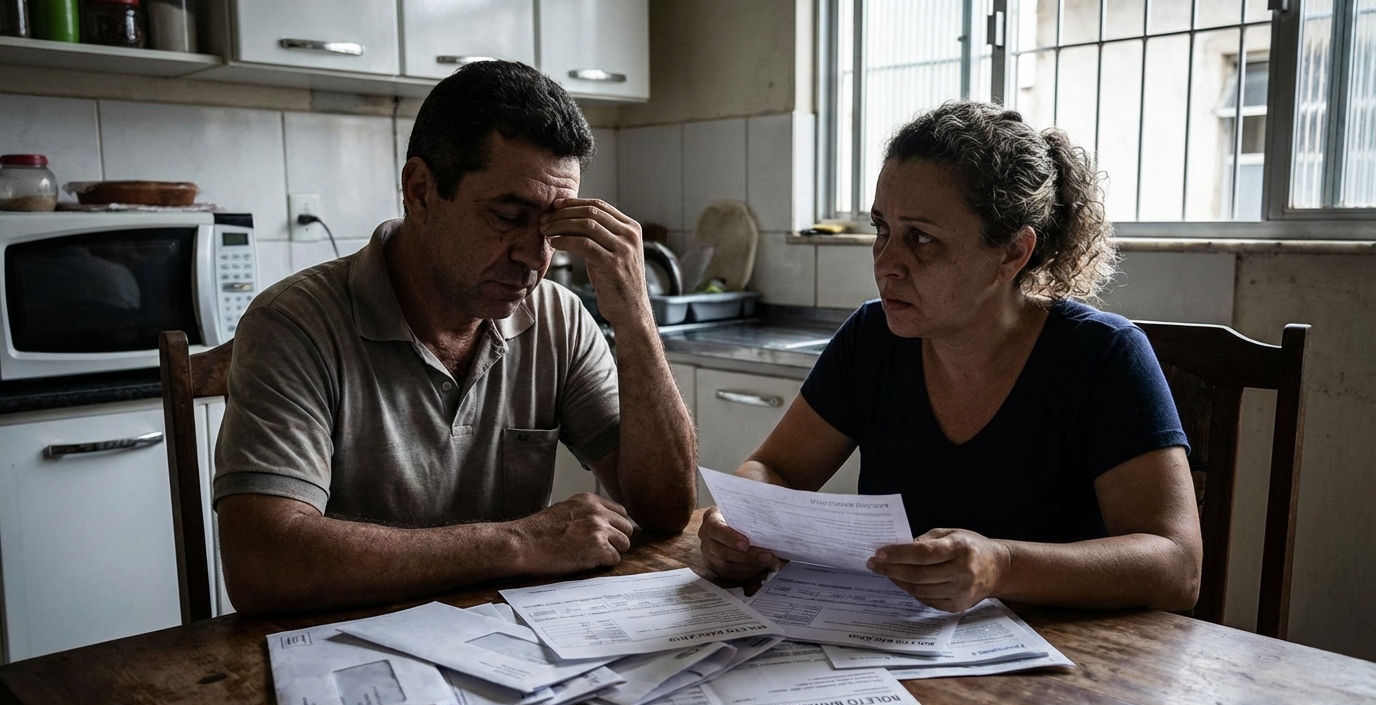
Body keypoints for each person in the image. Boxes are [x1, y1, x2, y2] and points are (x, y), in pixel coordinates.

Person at [214, 61, 696, 615]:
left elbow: (665, 511)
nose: (534, 260)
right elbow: (261, 563)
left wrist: (634, 316)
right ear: (420, 191)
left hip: (514, 651)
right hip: (345, 656)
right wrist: (521, 542)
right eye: (509, 215)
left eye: (551, 227)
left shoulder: (559, 319)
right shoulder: (295, 323)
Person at [699, 101, 1202, 614]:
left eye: (921, 238)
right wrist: (741, 520)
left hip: (1065, 668)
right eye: (881, 230)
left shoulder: (1104, 356)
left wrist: (1001, 565)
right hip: (897, 650)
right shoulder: (873, 339)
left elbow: (1176, 567)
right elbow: (774, 466)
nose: (886, 263)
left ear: (1011, 253)